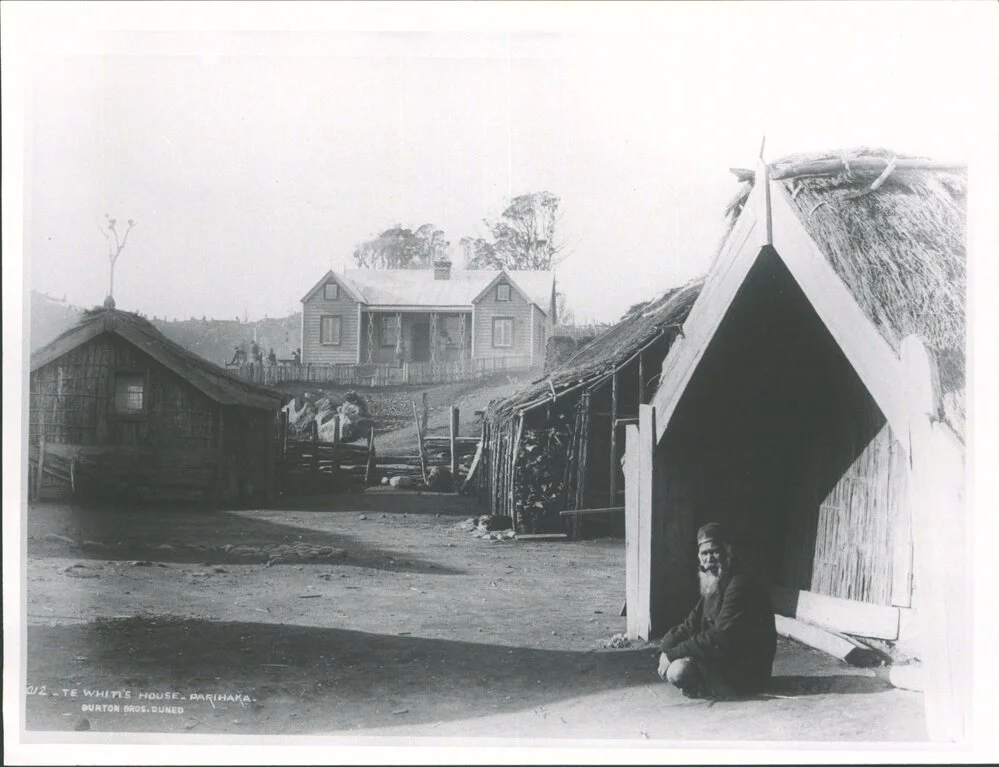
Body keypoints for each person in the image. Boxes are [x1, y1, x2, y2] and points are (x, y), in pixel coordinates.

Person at [657, 522, 776, 699]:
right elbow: (690, 624)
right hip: (725, 658)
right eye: (704, 553)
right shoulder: (713, 582)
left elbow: (719, 636)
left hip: (748, 671)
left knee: (678, 671)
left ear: (728, 552)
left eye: (715, 551)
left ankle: (708, 687)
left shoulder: (739, 584)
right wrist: (665, 647)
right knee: (674, 663)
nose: (709, 558)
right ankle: (706, 685)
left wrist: (674, 654)